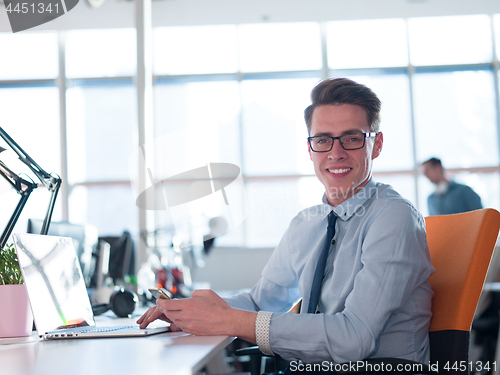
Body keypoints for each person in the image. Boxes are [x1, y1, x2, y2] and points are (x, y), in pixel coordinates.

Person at [138, 78, 435, 366]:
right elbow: (260, 302)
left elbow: (353, 337)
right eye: (322, 140)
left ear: (377, 144)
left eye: (352, 138)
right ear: (309, 148)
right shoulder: (306, 223)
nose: (336, 153)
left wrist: (229, 320)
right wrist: (188, 310)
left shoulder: (393, 217)